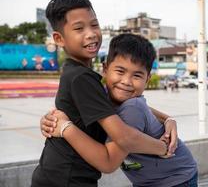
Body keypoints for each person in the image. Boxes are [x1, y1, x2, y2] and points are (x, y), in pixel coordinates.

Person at [32, 0, 177, 187]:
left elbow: (112, 103)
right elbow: (124, 137)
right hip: (65, 179)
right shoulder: (81, 77)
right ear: (59, 38)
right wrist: (163, 148)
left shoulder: (79, 72)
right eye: (79, 28)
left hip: (61, 175)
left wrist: (167, 119)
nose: (91, 33)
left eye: (94, 25)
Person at [42, 33, 198, 187]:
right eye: (120, 71)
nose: (126, 82)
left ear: (147, 80)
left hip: (175, 180)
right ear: (105, 68)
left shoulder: (132, 109)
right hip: (156, 179)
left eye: (137, 75)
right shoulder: (106, 96)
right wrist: (168, 119)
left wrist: (65, 128)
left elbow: (108, 163)